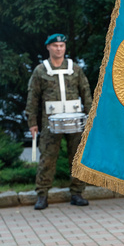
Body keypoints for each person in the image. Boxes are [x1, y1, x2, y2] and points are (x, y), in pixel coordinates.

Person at [25, 33, 93, 210]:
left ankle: (77, 193)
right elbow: (33, 97)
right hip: (50, 122)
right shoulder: (41, 70)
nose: (59, 48)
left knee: (77, 157)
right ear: (48, 47)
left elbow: (86, 92)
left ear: (65, 48)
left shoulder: (75, 68)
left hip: (75, 120)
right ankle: (42, 195)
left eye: (61, 46)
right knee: (47, 158)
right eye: (55, 45)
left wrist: (91, 117)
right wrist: (32, 123)